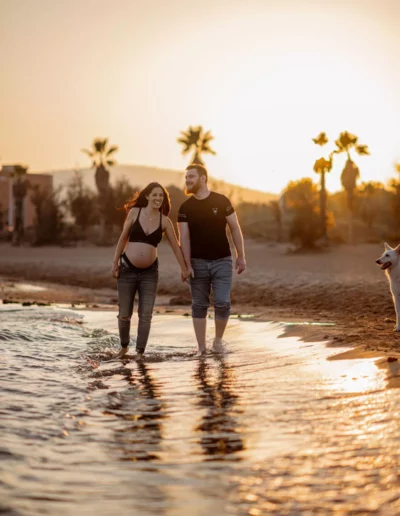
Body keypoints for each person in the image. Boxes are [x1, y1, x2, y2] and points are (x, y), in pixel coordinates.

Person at [112, 182, 189, 358]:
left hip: (150, 273)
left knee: (145, 315)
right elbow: (123, 238)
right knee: (124, 314)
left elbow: (176, 248)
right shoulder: (134, 213)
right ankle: (124, 348)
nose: (157, 198)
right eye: (154, 195)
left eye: (161, 196)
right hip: (127, 270)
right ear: (147, 196)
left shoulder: (165, 221)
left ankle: (139, 354)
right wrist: (115, 262)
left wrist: (184, 269)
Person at [178, 164, 246, 355]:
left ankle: (217, 341)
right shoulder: (185, 208)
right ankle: (201, 348)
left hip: (222, 261)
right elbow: (184, 238)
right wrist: (186, 265)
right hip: (197, 263)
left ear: (203, 178)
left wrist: (241, 256)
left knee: (222, 303)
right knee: (199, 305)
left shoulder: (222, 201)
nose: (188, 180)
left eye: (191, 176)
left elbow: (235, 228)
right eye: (186, 178)